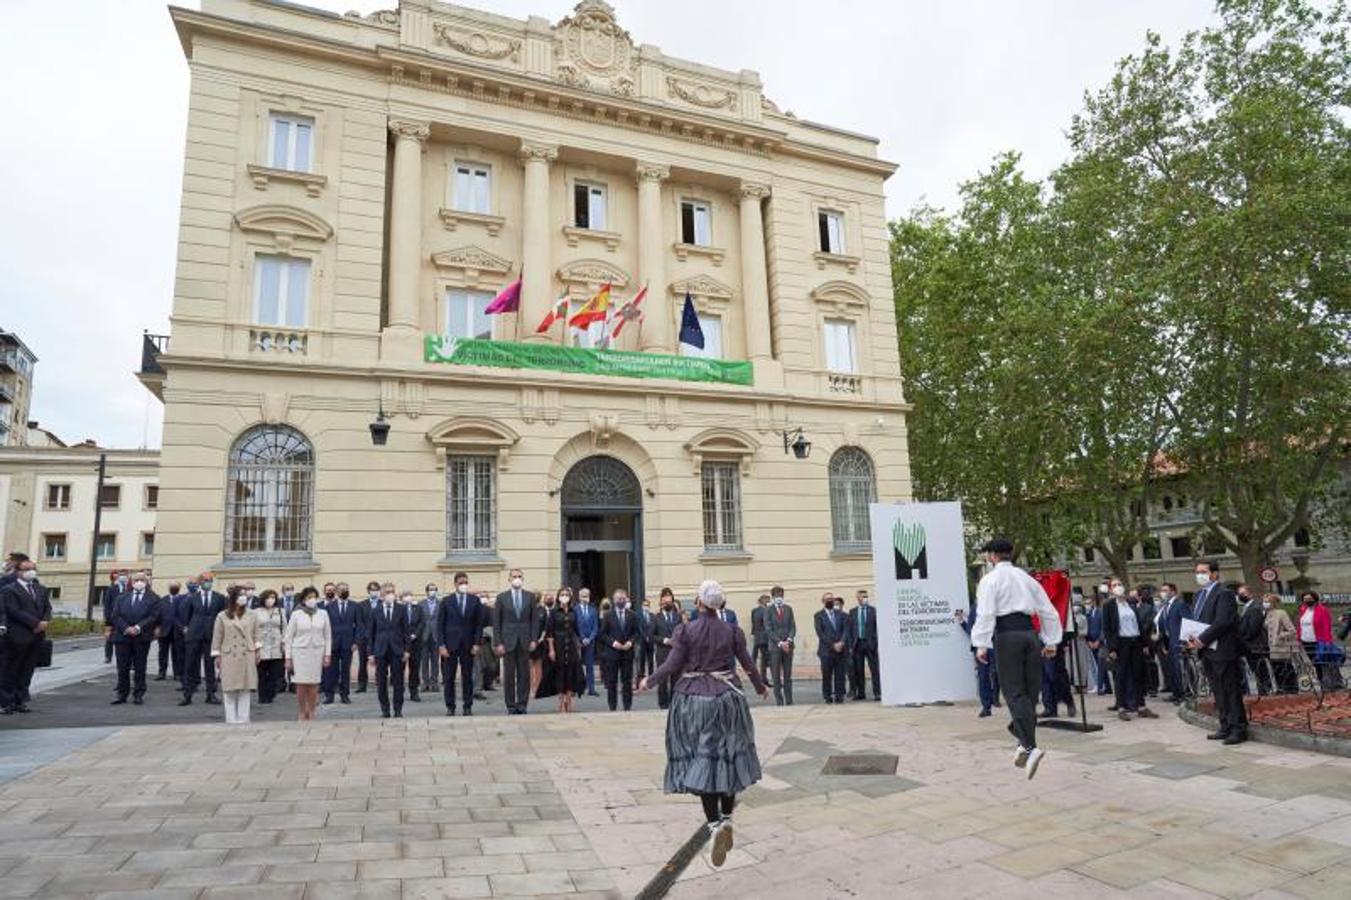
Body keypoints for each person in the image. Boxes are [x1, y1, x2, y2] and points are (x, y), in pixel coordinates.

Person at [638, 580, 768, 869]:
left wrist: (649, 680)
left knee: (702, 759)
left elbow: (671, 665)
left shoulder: (686, 630)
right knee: (729, 757)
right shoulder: (732, 630)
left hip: (694, 700)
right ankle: (727, 819)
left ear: (698, 603)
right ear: (720, 604)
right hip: (727, 698)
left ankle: (713, 826)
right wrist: (760, 687)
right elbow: (747, 663)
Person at [969, 538, 1062, 780]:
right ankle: (1022, 740)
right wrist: (1050, 640)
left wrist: (981, 643)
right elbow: (1048, 610)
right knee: (1030, 691)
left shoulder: (990, 580)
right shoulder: (1027, 578)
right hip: (1030, 636)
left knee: (1014, 691)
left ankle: (1030, 747)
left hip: (1007, 636)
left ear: (992, 556)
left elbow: (986, 612)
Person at [1188, 561, 1247, 745]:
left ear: (1214, 574)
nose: (1199, 575)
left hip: (1223, 650)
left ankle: (1238, 729)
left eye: (1203, 572)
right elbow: (1197, 619)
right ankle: (1225, 726)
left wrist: (1202, 639)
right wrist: (1191, 637)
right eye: (1197, 572)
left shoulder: (1224, 593)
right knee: (1218, 690)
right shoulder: (1198, 595)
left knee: (1230, 690)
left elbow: (1223, 621)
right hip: (1206, 651)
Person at [1102, 580, 1158, 721]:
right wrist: (1112, 648)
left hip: (1136, 641)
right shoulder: (1109, 606)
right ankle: (1121, 707)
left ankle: (1141, 706)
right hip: (1121, 643)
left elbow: (1138, 624)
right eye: (1114, 585)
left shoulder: (1130, 603)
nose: (1118, 587)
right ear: (1110, 590)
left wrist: (1145, 644)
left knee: (1138, 674)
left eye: (1119, 584)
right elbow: (1107, 628)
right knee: (1121, 675)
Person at [0, 560, 51, 715]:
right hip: (18, 635)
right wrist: (35, 623)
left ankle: (20, 700)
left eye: (33, 568)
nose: (31, 571)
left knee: (27, 669)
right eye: (27, 569)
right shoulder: (9, 590)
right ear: (18, 572)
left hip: (37, 636)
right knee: (11, 669)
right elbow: (13, 610)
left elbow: (47, 607)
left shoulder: (40, 589)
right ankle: (6, 702)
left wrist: (45, 621)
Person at [108, 572, 159, 706]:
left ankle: (138, 694)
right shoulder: (122, 597)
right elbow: (115, 615)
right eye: (136, 580)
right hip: (122, 636)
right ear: (131, 581)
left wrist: (137, 627)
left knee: (140, 667)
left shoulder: (153, 598)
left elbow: (153, 616)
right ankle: (122, 694)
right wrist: (126, 628)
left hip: (141, 637)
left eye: (142, 580)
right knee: (122, 667)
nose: (139, 582)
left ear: (146, 581)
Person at [493, 569, 539, 715]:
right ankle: (511, 705)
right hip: (508, 641)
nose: (517, 579)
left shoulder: (530, 596)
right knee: (509, 674)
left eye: (519, 577)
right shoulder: (501, 597)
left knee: (524, 674)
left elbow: (534, 620)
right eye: (514, 577)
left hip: (525, 640)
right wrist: (498, 642)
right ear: (509, 579)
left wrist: (534, 639)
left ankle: (522, 704)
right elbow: (497, 622)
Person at [437, 572, 483, 717]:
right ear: (455, 584)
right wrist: (441, 645)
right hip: (450, 645)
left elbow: (478, 624)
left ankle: (467, 706)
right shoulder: (446, 601)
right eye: (461, 582)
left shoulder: (474, 600)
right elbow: (440, 625)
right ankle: (450, 706)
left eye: (465, 582)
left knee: (467, 676)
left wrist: (477, 643)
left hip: (468, 644)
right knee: (449, 677)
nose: (464, 585)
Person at [212, 586, 260, 725]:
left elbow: (256, 634)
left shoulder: (252, 614)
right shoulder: (222, 615)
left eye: (245, 595)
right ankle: (231, 719)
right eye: (240, 595)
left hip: (247, 654)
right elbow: (217, 636)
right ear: (233, 598)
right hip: (229, 654)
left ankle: (244, 719)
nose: (243, 597)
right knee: (229, 689)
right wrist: (217, 655)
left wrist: (257, 650)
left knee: (245, 688)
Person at [284, 586, 331, 721]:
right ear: (303, 600)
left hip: (317, 651)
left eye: (314, 597)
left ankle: (311, 711)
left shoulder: (323, 614)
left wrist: (327, 654)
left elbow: (327, 636)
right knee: (301, 683)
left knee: (314, 683)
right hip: (299, 652)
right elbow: (289, 638)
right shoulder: (296, 614)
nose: (312, 600)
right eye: (309, 597)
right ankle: (301, 711)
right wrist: (288, 658)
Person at [180, 574, 225, 706]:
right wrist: (188, 629)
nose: (208, 583)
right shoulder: (192, 598)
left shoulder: (219, 598)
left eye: (210, 581)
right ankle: (187, 695)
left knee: (209, 667)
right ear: (200, 583)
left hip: (211, 636)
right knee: (190, 666)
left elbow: (221, 616)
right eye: (205, 581)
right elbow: (186, 617)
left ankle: (211, 694)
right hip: (194, 636)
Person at [366, 585, 410, 718]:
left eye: (392, 592)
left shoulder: (401, 609)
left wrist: (407, 650)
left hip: (397, 650)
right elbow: (370, 634)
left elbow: (406, 631)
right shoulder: (376, 611)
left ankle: (398, 709)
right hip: (380, 650)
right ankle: (385, 710)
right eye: (387, 592)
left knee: (398, 681)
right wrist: (370, 653)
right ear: (382, 595)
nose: (390, 594)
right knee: (381, 681)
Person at [541, 587, 585, 712]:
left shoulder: (573, 611)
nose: (564, 596)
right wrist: (551, 649)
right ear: (558, 596)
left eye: (567, 594)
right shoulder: (554, 612)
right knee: (560, 672)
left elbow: (577, 630)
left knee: (571, 672)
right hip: (558, 644)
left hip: (570, 644)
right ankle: (560, 701)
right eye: (562, 594)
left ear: (570, 597)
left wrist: (581, 642)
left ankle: (569, 700)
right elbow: (549, 632)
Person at [957, 602, 999, 717]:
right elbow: (971, 630)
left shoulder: (979, 606)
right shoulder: (982, 606)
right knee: (988, 675)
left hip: (990, 645)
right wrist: (962, 622)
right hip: (991, 645)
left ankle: (989, 704)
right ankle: (990, 703)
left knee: (986, 676)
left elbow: (971, 630)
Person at [600, 588, 638, 711]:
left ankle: (627, 706)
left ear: (626, 599)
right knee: (612, 681)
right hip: (612, 653)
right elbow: (603, 634)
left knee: (627, 682)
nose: (621, 601)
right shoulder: (607, 615)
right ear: (614, 600)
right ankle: (612, 706)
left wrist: (630, 642)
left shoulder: (632, 614)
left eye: (623, 599)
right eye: (618, 599)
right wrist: (613, 643)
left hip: (627, 653)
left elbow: (636, 633)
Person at [322, 583, 359, 705]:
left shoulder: (355, 606)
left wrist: (355, 642)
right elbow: (326, 626)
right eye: (342, 589)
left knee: (345, 670)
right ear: (337, 592)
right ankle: (329, 695)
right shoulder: (329, 607)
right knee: (331, 671)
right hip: (333, 643)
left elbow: (359, 626)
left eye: (346, 589)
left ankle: (345, 695)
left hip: (348, 643)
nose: (344, 591)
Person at [1155, 583, 1189, 702]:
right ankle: (1176, 693)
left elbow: (1187, 622)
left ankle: (1184, 694)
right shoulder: (1165, 607)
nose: (1162, 593)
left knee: (1180, 670)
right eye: (1162, 590)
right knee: (1172, 670)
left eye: (1165, 590)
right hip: (1168, 643)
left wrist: (1185, 641)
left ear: (1173, 592)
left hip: (1178, 642)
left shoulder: (1180, 605)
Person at [764, 586, 796, 706]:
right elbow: (768, 629)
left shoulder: (788, 609)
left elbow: (792, 626)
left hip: (788, 646)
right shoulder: (768, 610)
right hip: (775, 647)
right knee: (776, 675)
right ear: (773, 596)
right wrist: (780, 643)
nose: (779, 597)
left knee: (788, 675)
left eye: (781, 595)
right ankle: (779, 701)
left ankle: (789, 700)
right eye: (777, 595)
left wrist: (789, 640)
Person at [814, 592, 848, 704]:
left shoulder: (842, 614)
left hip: (840, 649)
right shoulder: (818, 615)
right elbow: (820, 633)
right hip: (826, 650)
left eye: (831, 599)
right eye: (827, 599)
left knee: (840, 674)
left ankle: (839, 695)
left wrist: (842, 642)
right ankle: (827, 696)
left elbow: (846, 630)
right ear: (823, 601)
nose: (830, 601)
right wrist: (833, 645)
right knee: (827, 674)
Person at [848, 589, 881, 702]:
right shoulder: (852, 612)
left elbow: (878, 628)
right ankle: (861, 693)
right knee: (859, 670)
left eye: (866, 596)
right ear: (858, 598)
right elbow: (850, 629)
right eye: (863, 596)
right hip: (858, 644)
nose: (865, 598)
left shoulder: (874, 611)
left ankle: (877, 692)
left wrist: (875, 641)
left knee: (874, 669)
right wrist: (851, 644)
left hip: (870, 643)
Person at [1237, 586, 1271, 695]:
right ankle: (1262, 690)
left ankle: (1265, 691)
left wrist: (1243, 639)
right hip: (1249, 645)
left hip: (1255, 645)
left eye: (1243, 593)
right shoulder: (1246, 607)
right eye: (1239, 594)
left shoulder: (1255, 607)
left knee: (1260, 670)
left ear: (1250, 594)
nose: (1240, 596)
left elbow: (1254, 628)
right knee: (1255, 670)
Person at [1264, 593, 1300, 694]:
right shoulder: (1267, 613)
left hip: (1281, 646)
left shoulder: (1281, 613)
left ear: (1273, 603)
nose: (1265, 603)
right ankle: (1281, 688)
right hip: (1272, 647)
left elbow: (1292, 630)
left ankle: (1292, 689)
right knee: (1276, 669)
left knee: (1286, 667)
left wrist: (1280, 636)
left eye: (1267, 601)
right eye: (1264, 601)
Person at [653, 588, 683, 710]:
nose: (667, 601)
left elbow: (682, 631)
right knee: (662, 680)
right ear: (661, 601)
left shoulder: (678, 616)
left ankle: (674, 703)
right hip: (662, 652)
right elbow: (651, 635)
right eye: (664, 598)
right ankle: (663, 704)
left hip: (676, 652)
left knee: (676, 679)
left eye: (669, 598)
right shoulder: (656, 617)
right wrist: (664, 640)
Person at [255, 589, 286, 704]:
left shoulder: (280, 611)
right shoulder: (256, 612)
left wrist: (284, 643)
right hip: (262, 647)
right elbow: (254, 629)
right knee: (261, 674)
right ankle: (262, 697)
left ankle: (271, 694)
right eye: (269, 597)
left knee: (275, 674)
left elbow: (285, 628)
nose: (271, 600)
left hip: (276, 647)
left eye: (273, 597)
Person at [1297, 591, 1334, 684]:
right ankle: (1321, 682)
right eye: (1305, 599)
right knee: (1315, 663)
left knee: (1321, 663)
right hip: (1306, 641)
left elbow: (1327, 626)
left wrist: (1327, 641)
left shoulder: (1322, 610)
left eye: (1309, 599)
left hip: (1318, 641)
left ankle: (1327, 683)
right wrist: (1298, 638)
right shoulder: (1303, 609)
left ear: (1315, 599)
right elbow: (1300, 625)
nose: (1307, 601)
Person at [154, 581, 185, 682]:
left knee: (177, 653)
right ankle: (161, 673)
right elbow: (157, 615)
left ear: (179, 587)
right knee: (162, 653)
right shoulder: (162, 600)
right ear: (169, 587)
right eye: (172, 586)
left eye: (175, 586)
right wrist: (157, 627)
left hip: (178, 631)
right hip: (164, 630)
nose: (173, 587)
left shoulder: (184, 600)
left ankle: (178, 674)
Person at [530, 591, 555, 700]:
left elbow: (545, 627)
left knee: (538, 666)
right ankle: (531, 688)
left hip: (540, 642)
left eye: (537, 596)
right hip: (529, 642)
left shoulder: (543, 610)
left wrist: (540, 639)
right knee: (530, 667)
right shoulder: (528, 609)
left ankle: (537, 688)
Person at [575, 587, 600, 696]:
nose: (585, 598)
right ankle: (577, 688)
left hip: (590, 642)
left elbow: (596, 627)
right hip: (579, 642)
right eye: (583, 596)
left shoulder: (593, 610)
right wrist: (581, 638)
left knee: (590, 665)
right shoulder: (575, 610)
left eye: (587, 596)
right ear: (579, 597)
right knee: (577, 666)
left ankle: (591, 688)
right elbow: (575, 626)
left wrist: (590, 638)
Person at [354, 582, 378, 694]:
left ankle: (380, 682)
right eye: (372, 590)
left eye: (376, 589)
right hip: (363, 638)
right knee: (363, 662)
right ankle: (362, 685)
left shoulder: (383, 603)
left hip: (379, 638)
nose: (374, 592)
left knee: (381, 661)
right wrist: (367, 635)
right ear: (368, 591)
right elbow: (359, 622)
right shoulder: (361, 605)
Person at [402, 590, 425, 703]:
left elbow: (422, 623)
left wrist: (415, 634)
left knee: (414, 668)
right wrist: (405, 636)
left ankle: (414, 691)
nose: (408, 598)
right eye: (405, 596)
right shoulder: (399, 609)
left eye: (409, 595)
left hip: (416, 642)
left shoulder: (418, 608)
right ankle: (399, 690)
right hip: (401, 643)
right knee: (399, 668)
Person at [102, 570, 128, 664]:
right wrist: (107, 618)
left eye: (124, 575)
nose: (122, 577)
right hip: (112, 618)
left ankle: (124, 658)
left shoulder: (129, 589)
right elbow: (107, 604)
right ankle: (108, 656)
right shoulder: (112, 588)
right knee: (109, 638)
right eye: (121, 575)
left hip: (125, 618)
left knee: (124, 639)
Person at [419, 583, 441, 695]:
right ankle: (425, 682)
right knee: (424, 660)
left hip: (436, 635)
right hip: (424, 635)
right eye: (430, 590)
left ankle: (434, 682)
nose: (433, 591)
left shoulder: (441, 604)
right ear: (426, 591)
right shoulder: (421, 604)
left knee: (435, 660)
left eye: (434, 589)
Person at [750, 594, 771, 688]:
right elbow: (767, 625)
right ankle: (763, 678)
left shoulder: (754, 611)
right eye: (767, 600)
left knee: (754, 658)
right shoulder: (767, 610)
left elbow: (753, 625)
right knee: (764, 659)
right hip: (765, 638)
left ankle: (755, 677)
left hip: (757, 637)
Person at [636, 596, 657, 684]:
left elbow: (654, 627)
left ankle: (651, 676)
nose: (646, 607)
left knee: (650, 659)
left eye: (647, 605)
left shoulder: (652, 615)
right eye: (645, 605)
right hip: (642, 640)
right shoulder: (639, 615)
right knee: (642, 659)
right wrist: (645, 637)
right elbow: (639, 628)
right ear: (642, 606)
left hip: (651, 640)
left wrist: (650, 636)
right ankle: (641, 676)